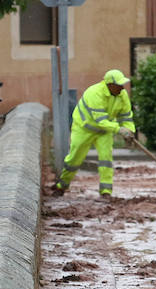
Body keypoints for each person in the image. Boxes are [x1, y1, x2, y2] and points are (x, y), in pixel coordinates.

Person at [51, 69, 137, 198]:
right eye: (119, 85)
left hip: (105, 131)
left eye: (122, 84)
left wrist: (129, 131)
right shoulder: (94, 93)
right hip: (84, 128)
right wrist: (119, 130)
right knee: (74, 159)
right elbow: (100, 121)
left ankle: (106, 192)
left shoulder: (122, 95)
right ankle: (61, 186)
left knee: (106, 160)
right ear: (109, 84)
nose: (121, 87)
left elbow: (126, 117)